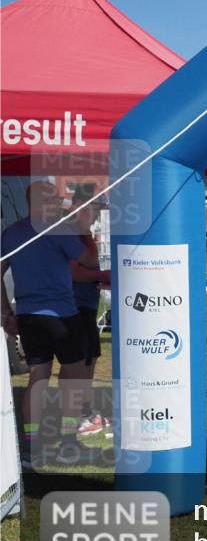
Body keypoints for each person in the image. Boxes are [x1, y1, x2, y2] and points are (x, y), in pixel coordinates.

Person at [1, 181, 102, 463]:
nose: (59, 204)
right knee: (75, 378)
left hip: (29, 316)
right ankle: (69, 442)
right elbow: (91, 262)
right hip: (61, 315)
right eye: (55, 199)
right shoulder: (57, 230)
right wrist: (84, 233)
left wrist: (6, 312)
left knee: (37, 379)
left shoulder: (10, 234)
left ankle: (31, 448)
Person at [68, 187, 112, 436]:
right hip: (75, 305)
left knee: (89, 358)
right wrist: (102, 275)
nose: (97, 215)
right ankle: (80, 416)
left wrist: (99, 279)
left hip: (86, 304)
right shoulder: (72, 232)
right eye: (96, 209)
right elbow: (72, 271)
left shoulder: (83, 231)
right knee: (79, 363)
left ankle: (83, 412)